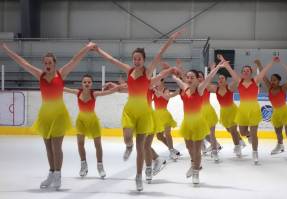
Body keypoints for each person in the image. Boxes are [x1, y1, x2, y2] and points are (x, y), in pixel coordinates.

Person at [94, 30, 183, 191]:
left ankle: (138, 176)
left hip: (144, 113)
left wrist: (171, 39)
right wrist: (98, 50)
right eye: (134, 58)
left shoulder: (148, 73)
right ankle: (128, 147)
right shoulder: (128, 71)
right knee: (128, 137)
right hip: (130, 110)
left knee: (141, 146)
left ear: (143, 60)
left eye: (139, 59)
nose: (136, 61)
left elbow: (160, 53)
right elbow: (112, 60)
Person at [0, 42, 96, 189]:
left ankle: (58, 175)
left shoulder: (61, 74)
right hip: (45, 116)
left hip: (58, 115)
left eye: (49, 62)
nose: (47, 65)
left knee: (57, 147)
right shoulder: (40, 75)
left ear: (54, 64)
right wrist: (5, 48)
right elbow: (22, 62)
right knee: (49, 148)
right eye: (45, 63)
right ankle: (51, 173)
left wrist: (87, 48)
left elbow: (74, 60)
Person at [64, 74, 122, 178]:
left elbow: (108, 92)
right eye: (85, 82)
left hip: (93, 121)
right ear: (82, 84)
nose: (86, 84)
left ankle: (100, 166)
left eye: (89, 82)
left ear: (92, 84)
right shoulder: (78, 92)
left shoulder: (94, 94)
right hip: (81, 121)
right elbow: (65, 89)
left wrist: (119, 87)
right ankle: (83, 165)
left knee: (98, 145)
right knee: (80, 143)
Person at [221, 56, 276, 164]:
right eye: (244, 71)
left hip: (253, 109)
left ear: (251, 72)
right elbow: (231, 71)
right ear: (241, 73)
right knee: (242, 132)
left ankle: (255, 153)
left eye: (248, 70)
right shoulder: (239, 81)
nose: (246, 72)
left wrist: (272, 62)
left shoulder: (255, 80)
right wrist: (225, 63)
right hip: (242, 110)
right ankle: (248, 135)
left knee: (254, 133)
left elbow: (264, 71)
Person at [172, 64, 221, 184]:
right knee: (189, 148)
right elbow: (176, 79)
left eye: (192, 77)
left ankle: (196, 173)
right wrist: (173, 71)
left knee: (197, 149)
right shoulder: (184, 88)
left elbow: (209, 78)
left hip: (198, 123)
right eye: (187, 77)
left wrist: (217, 67)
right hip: (187, 123)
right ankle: (195, 165)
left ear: (196, 79)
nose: (189, 79)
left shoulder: (200, 89)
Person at [256, 59, 287, 159]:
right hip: (276, 113)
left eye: (275, 80)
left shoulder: (283, 88)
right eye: (272, 79)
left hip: (285, 112)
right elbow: (263, 76)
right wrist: (259, 64)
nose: (272, 81)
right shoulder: (269, 87)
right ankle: (280, 145)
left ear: (279, 81)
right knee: (278, 132)